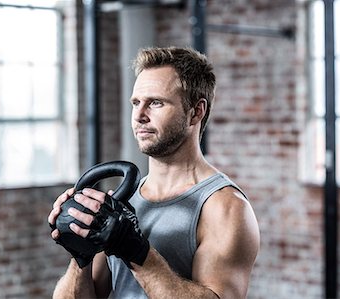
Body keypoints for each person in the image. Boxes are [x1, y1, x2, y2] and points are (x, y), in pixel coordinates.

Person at [47, 46, 260, 299]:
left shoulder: (225, 208)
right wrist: (80, 258)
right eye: (136, 103)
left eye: (156, 103)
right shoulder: (120, 204)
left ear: (196, 112)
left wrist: (138, 253)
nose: (139, 115)